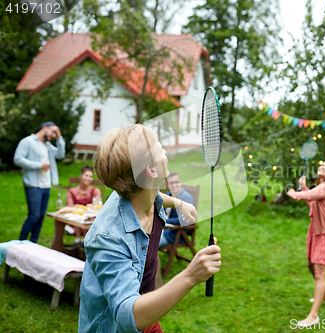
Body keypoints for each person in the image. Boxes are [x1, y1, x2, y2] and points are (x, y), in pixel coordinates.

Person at [79, 124, 221, 333]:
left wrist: (180, 203)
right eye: (159, 147)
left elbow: (154, 195)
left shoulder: (138, 193)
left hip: (145, 311)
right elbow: (127, 315)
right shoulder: (108, 239)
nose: (165, 151)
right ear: (151, 170)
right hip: (120, 324)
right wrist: (190, 275)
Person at [287, 160, 325, 328]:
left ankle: (313, 316)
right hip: (316, 233)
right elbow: (311, 200)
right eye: (321, 165)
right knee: (312, 266)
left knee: (319, 273)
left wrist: (294, 192)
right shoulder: (321, 188)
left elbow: (306, 197)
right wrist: (303, 188)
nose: (322, 168)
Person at [14, 121, 65, 243]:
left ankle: (33, 244)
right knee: (33, 217)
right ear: (44, 128)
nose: (53, 136)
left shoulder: (47, 145)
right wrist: (39, 165)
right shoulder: (27, 142)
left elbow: (60, 154)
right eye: (53, 132)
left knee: (40, 217)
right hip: (33, 185)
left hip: (45, 185)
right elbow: (17, 159)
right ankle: (19, 245)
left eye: (55, 134)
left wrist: (59, 137)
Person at [158, 172, 195, 248]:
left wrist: (164, 220)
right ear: (167, 185)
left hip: (175, 233)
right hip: (162, 229)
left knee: (150, 244)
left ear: (180, 182)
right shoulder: (168, 196)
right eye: (171, 183)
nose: (174, 185)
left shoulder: (186, 198)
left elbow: (183, 221)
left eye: (176, 182)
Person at [66, 166, 102, 242]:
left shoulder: (95, 190)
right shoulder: (71, 191)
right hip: (75, 221)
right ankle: (79, 240)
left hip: (90, 221)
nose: (88, 178)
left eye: (91, 176)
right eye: (86, 175)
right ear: (80, 176)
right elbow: (69, 207)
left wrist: (78, 206)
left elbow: (98, 205)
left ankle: (84, 241)